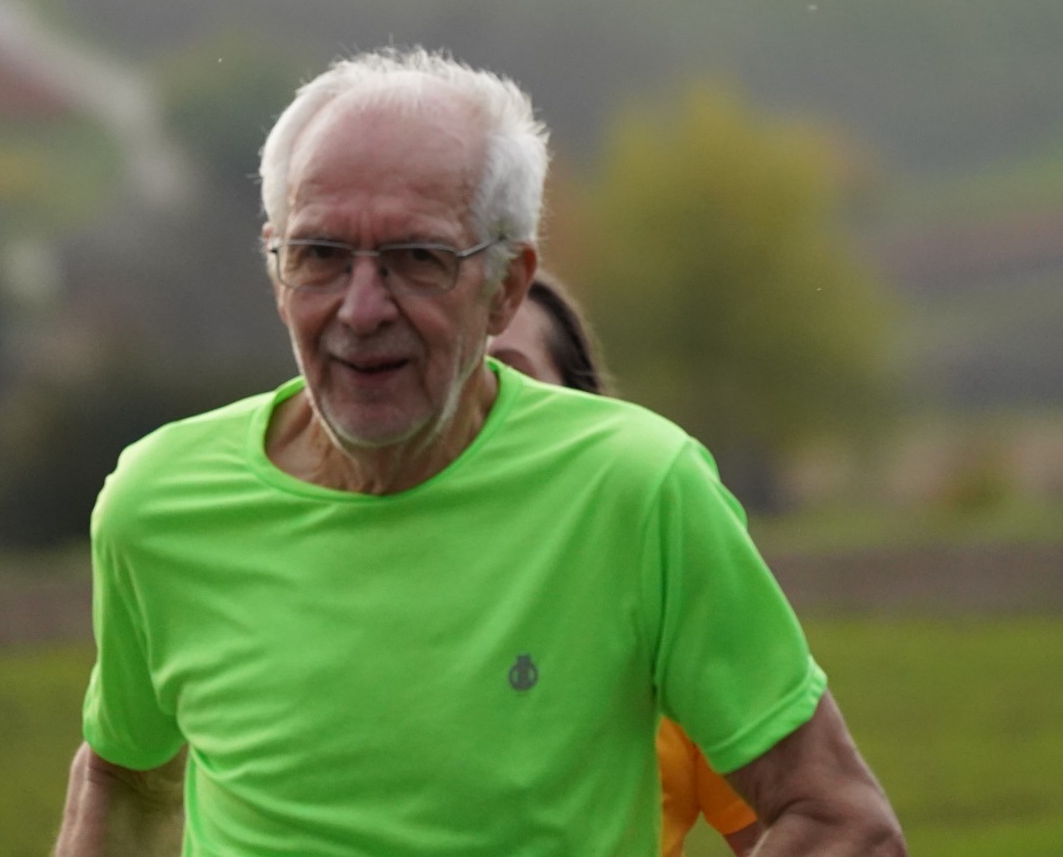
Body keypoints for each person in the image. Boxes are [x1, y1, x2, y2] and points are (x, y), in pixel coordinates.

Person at [54, 47, 903, 857]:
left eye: (416, 258)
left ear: (506, 287)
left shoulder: (637, 490)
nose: (361, 309)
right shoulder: (156, 504)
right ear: (277, 270)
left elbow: (839, 820)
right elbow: (126, 778)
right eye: (319, 255)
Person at [493, 275, 765, 857]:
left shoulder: (664, 608)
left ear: (584, 410)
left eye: (510, 376)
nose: (481, 403)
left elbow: (803, 823)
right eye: (458, 379)